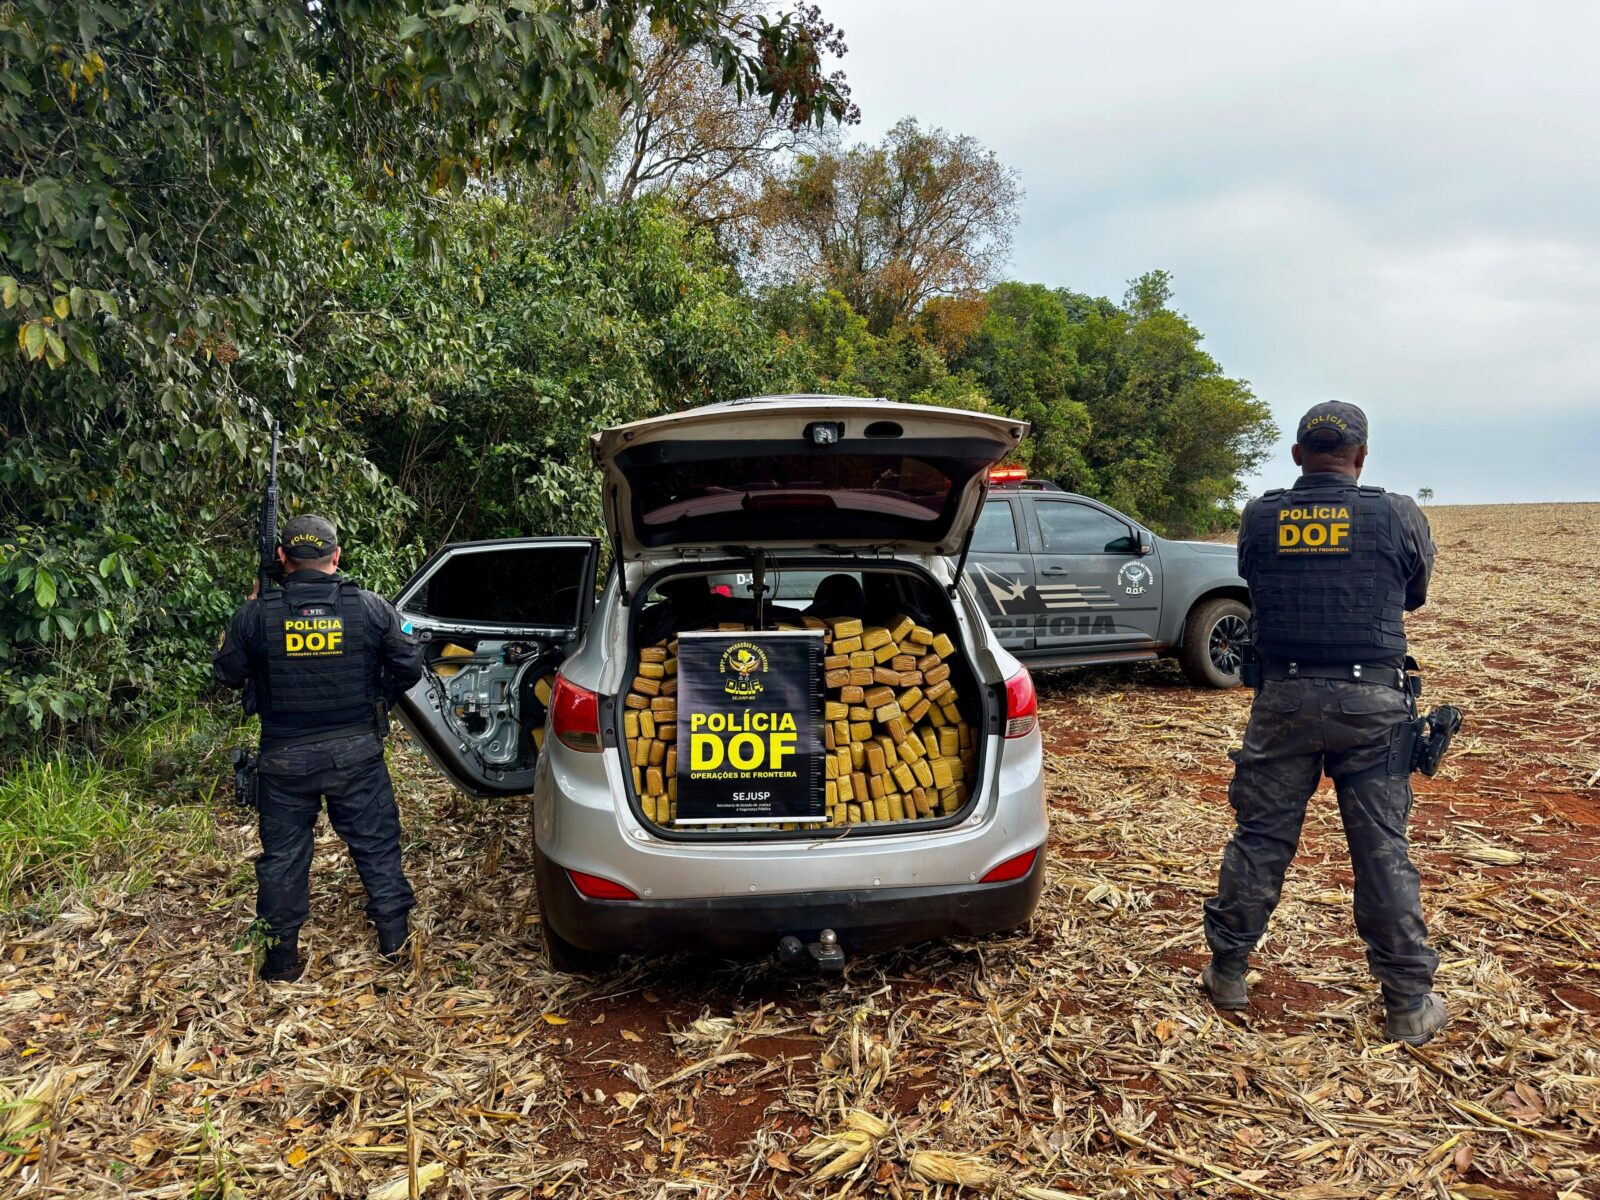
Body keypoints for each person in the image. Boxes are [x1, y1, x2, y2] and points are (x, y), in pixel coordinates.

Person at [1201, 402, 1446, 1045]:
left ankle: (1228, 970)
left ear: (1295, 456)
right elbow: (1413, 591)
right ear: (1361, 457)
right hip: (1373, 706)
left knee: (1260, 838)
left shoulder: (1260, 515)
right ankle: (1408, 1002)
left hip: (1281, 697)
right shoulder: (1395, 512)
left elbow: (1254, 577)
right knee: (1382, 852)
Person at [213, 514, 422, 982]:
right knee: (377, 847)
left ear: (282, 558)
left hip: (285, 758)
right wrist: (378, 700)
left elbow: (226, 674)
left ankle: (281, 965)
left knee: (283, 858)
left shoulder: (255, 613)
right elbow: (410, 663)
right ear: (337, 556)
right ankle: (395, 945)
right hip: (357, 753)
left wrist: (250, 608)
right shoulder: (368, 606)